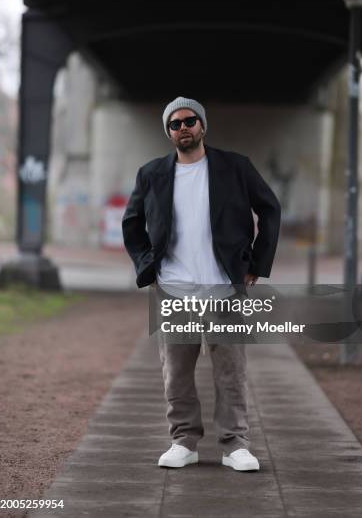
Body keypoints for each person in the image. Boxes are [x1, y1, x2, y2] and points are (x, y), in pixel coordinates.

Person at [122, 96, 281, 471]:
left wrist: (257, 262)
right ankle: (183, 441)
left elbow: (270, 208)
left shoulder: (235, 167)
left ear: (202, 125)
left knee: (231, 372)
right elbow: (132, 224)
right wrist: (148, 265)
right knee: (175, 372)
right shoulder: (151, 174)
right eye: (174, 124)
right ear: (169, 132)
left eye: (189, 120)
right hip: (173, 289)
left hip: (223, 288)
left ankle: (235, 445)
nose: (183, 128)